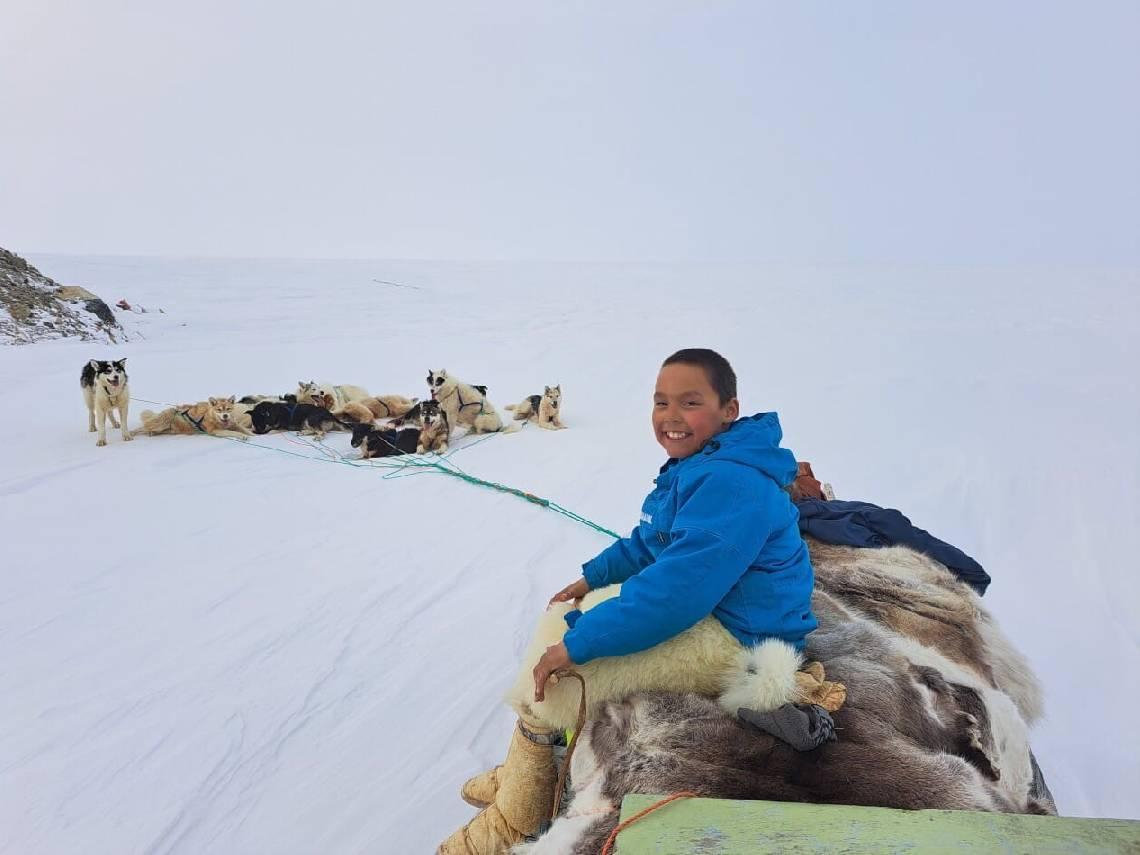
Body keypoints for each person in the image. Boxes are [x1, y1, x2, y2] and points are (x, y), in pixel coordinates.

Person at [439, 348, 840, 854]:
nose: (671, 416)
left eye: (690, 402)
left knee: (560, 679)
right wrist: (592, 578)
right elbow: (653, 541)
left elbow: (676, 593)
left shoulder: (730, 482)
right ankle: (526, 772)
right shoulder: (705, 463)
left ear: (728, 410)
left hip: (743, 635)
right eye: (661, 402)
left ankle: (517, 817)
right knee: (565, 623)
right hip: (722, 609)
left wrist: (578, 646)